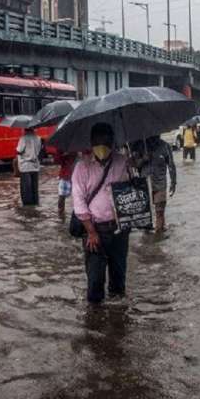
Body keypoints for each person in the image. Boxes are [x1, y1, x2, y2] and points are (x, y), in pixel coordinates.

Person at [72, 123, 130, 304]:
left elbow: (133, 192)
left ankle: (118, 322)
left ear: (113, 142)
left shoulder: (123, 162)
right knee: (95, 284)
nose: (102, 145)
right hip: (95, 231)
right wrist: (91, 232)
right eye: (98, 141)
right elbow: (78, 202)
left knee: (119, 283)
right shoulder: (82, 167)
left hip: (120, 230)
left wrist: (138, 168)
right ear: (91, 142)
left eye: (106, 140)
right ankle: (95, 322)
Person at [132, 136, 177, 233]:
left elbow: (171, 165)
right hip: (144, 186)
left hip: (160, 184)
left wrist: (173, 183)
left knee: (159, 212)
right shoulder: (139, 145)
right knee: (145, 216)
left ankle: (159, 238)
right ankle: (148, 239)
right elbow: (133, 165)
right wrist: (143, 159)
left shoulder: (165, 146)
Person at [16, 128, 42, 206]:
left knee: (26, 189)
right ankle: (35, 204)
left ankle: (27, 208)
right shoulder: (38, 138)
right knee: (34, 188)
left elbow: (19, 150)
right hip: (35, 166)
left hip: (25, 166)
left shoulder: (23, 138)